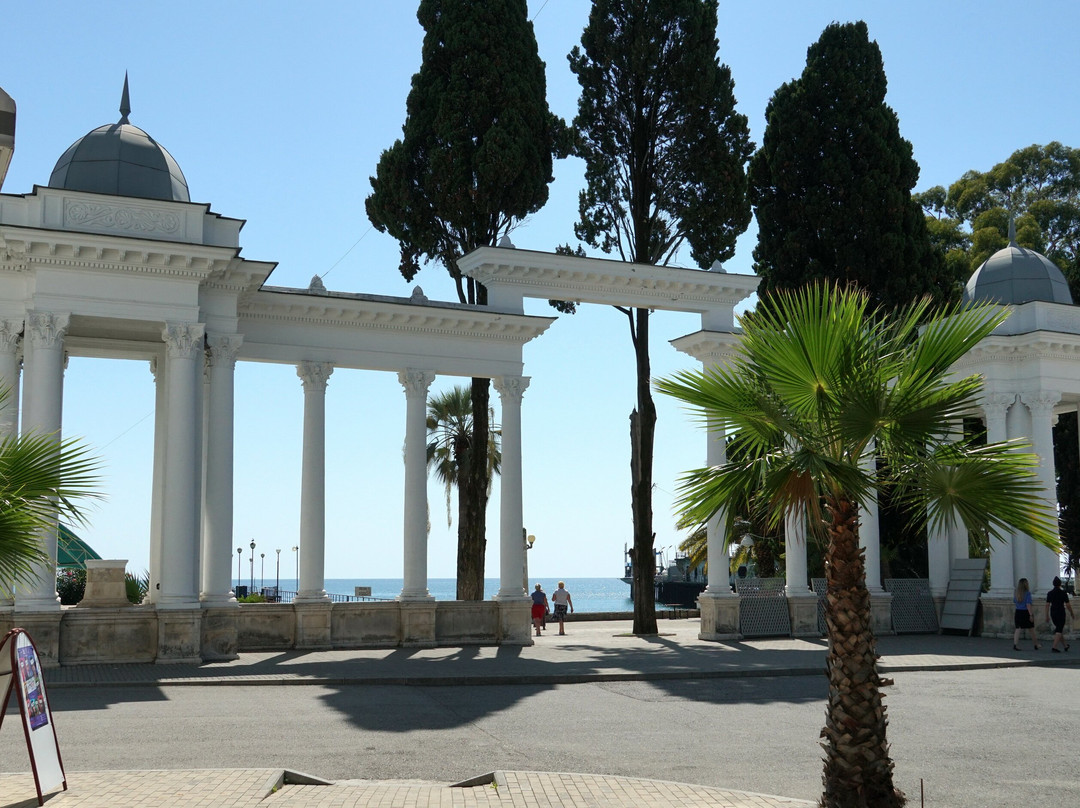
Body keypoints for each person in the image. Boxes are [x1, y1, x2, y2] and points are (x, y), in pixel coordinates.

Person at [1044, 576, 1074, 653]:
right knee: (1059, 629)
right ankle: (1054, 647)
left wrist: (1046, 615)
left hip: (1053, 612)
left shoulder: (1050, 593)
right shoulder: (1063, 593)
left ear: (1053, 584)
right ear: (1060, 584)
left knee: (1058, 629)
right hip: (1061, 612)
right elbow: (1068, 605)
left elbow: (1047, 605)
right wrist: (1071, 613)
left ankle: (1065, 646)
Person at [1013, 577, 1040, 651]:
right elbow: (1028, 605)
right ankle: (1036, 644)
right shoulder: (1027, 593)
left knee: (1018, 629)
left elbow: (1015, 602)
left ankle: (1015, 644)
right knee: (1031, 629)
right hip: (1025, 612)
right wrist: (1030, 614)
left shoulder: (1016, 593)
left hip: (1018, 611)